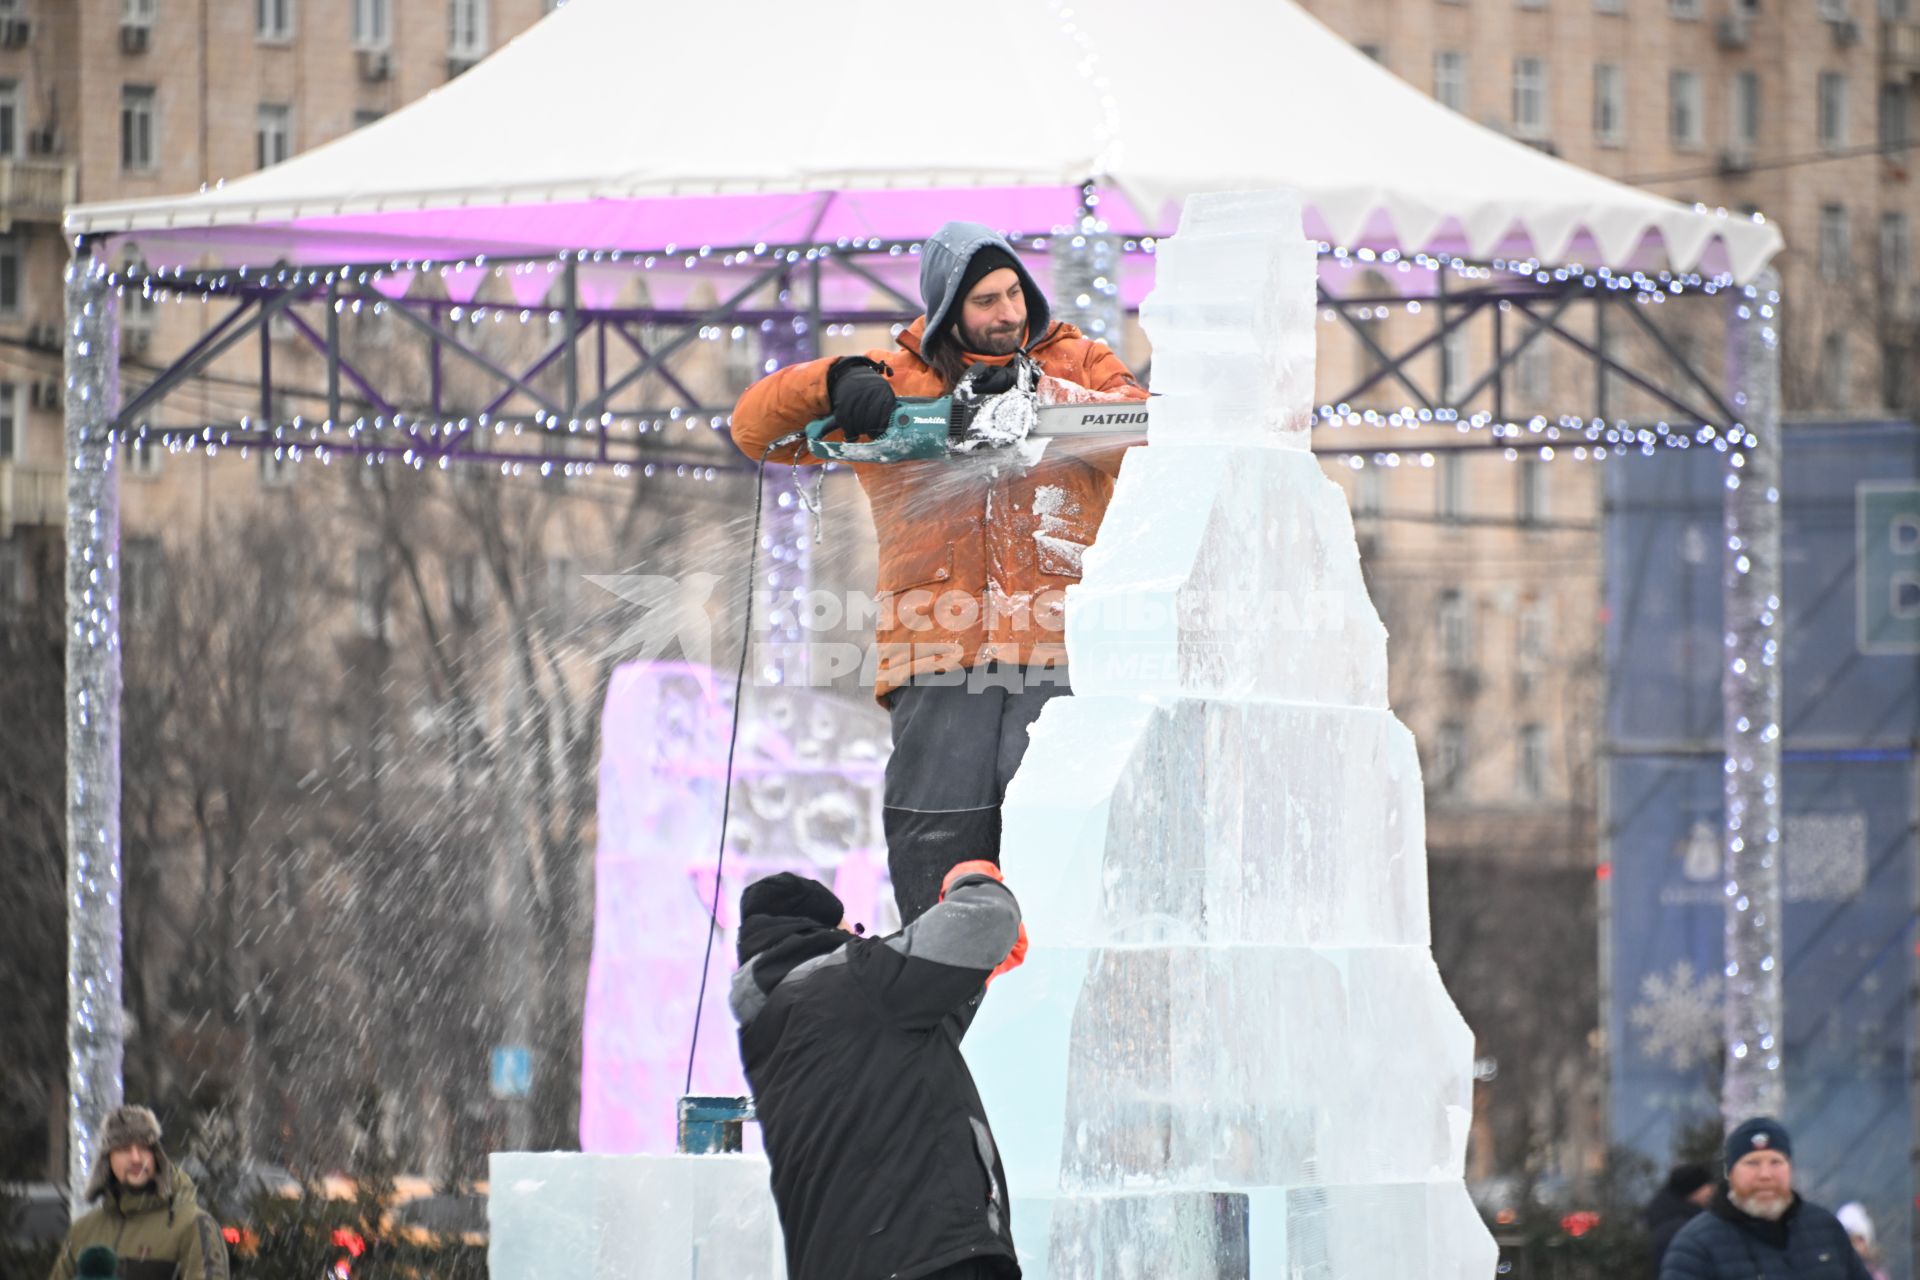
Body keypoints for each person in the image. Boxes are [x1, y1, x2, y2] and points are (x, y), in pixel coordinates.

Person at [731, 221, 1149, 923]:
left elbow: (1148, 433)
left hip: (1058, 656)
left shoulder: (1078, 362)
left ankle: (1045, 1005)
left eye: (1015, 292)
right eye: (986, 301)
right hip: (934, 660)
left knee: (1058, 864)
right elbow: (753, 427)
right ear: (949, 308)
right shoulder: (899, 381)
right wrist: (836, 381)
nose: (1009, 312)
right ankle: (947, 1011)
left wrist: (1043, 408)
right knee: (937, 867)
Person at [730, 864, 1027, 1280]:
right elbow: (987, 917)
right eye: (849, 926)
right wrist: (970, 877)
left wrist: (974, 975)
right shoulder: (855, 979)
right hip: (928, 1257)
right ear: (822, 930)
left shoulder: (772, 1027)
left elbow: (898, 1048)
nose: (858, 934)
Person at [1659, 1117, 1871, 1280]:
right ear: (1730, 1173)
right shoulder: (1695, 1246)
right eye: (1752, 1163)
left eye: (1776, 1162)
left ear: (1791, 1169)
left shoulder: (1825, 1229)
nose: (1765, 1175)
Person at [47, 1104, 228, 1280]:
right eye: (124, 1149)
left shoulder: (192, 1226)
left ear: (156, 1155)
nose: (136, 1158)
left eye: (144, 1148)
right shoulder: (83, 1231)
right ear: (107, 1158)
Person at [1645, 1162, 1714, 1271]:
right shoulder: (1679, 1229)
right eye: (1706, 1185)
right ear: (1694, 1190)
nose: (1711, 1190)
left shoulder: (1674, 1220)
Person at [1834, 1202, 1889, 1280]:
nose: (1855, 1247)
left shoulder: (1876, 1273)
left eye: (1859, 1240)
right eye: (1851, 1242)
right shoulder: (1838, 1273)